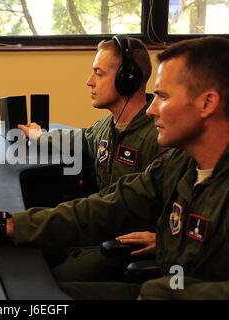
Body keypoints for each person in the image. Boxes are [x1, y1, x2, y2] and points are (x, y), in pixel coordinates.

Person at [0, 36, 229, 299]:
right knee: (35, 296)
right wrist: (1, 225)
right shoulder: (180, 162)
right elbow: (105, 208)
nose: (151, 109)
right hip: (163, 287)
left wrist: (165, 292)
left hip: (166, 291)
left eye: (162, 97)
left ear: (208, 103)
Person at [17, 36, 163, 282]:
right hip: (100, 230)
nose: (89, 81)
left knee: (57, 281)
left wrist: (166, 238)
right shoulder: (108, 126)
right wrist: (40, 136)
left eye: (99, 73)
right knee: (31, 251)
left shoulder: (159, 136)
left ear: (128, 78)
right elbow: (81, 138)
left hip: (126, 246)